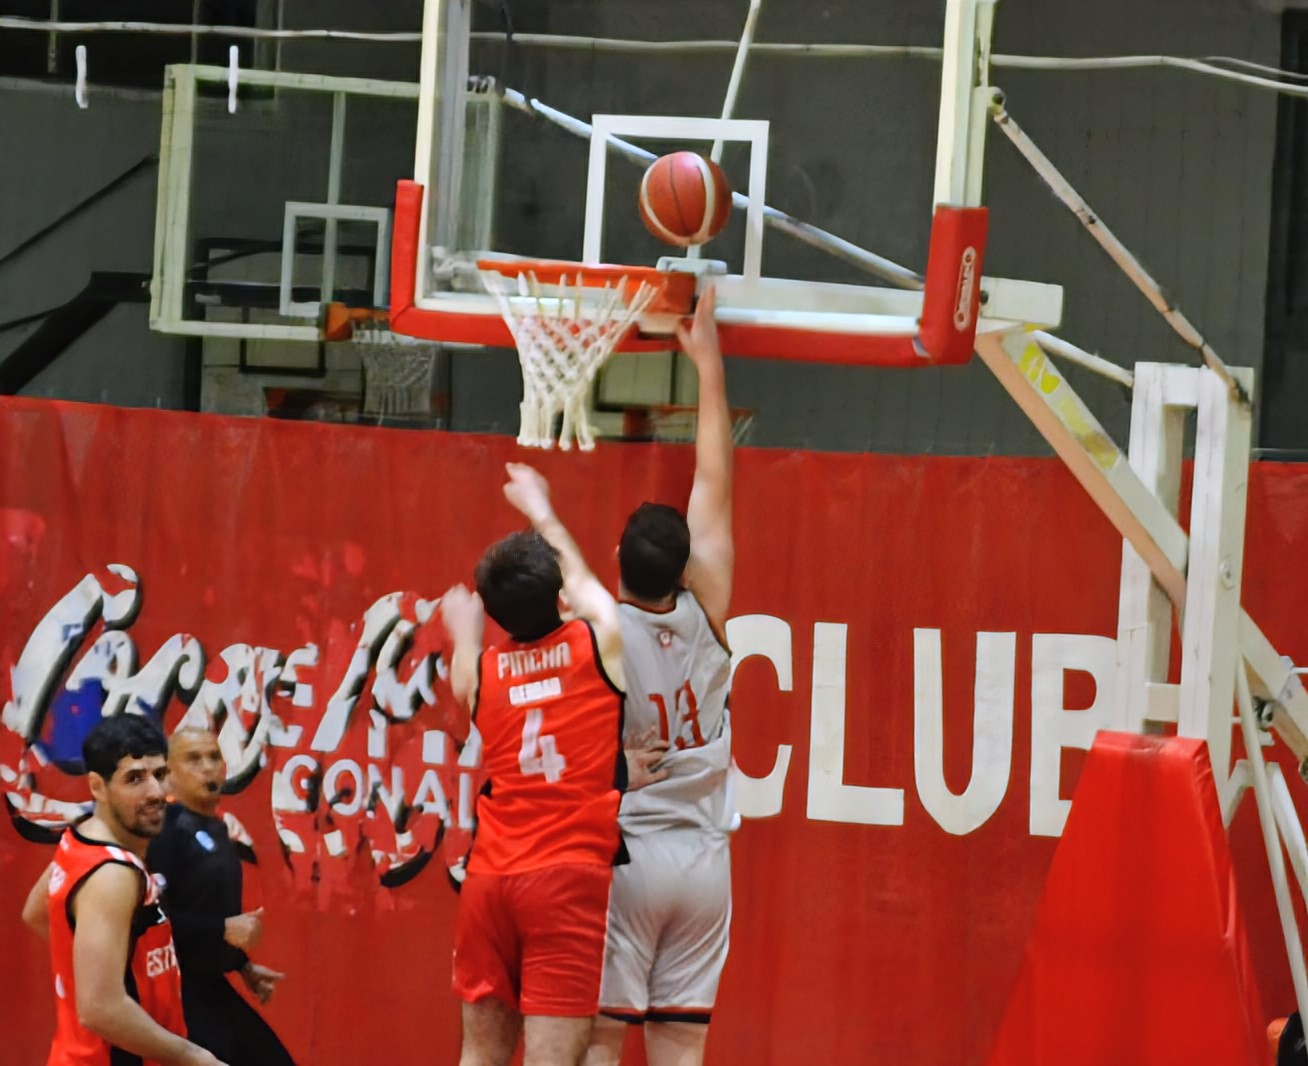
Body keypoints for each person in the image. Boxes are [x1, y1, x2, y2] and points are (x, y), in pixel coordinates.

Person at [441, 462, 659, 1066]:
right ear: (559, 593)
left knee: (478, 1056)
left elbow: (466, 662)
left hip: (489, 880)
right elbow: (587, 584)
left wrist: (465, 630)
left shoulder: (481, 677)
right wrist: (540, 507)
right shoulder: (596, 642)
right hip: (564, 880)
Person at [587, 287, 737, 1066]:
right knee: (680, 1049)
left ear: (617, 560)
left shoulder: (601, 638)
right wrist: (707, 362)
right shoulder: (710, 607)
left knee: (604, 1041)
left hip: (633, 854)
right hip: (706, 860)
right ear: (685, 569)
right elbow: (714, 477)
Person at [20, 714, 225, 1066]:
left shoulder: (80, 839)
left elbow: (37, 912)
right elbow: (100, 1009)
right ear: (97, 786)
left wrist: (93, 971)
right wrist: (197, 1058)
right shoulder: (112, 875)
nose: (156, 792)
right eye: (134, 779)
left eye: (159, 775)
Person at [145, 727, 294, 1065]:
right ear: (169, 774)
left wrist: (241, 965)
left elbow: (201, 913)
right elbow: (151, 920)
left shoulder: (215, 828)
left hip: (207, 984)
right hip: (172, 990)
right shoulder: (167, 831)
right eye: (194, 759)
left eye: (214, 757)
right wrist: (222, 929)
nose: (208, 767)